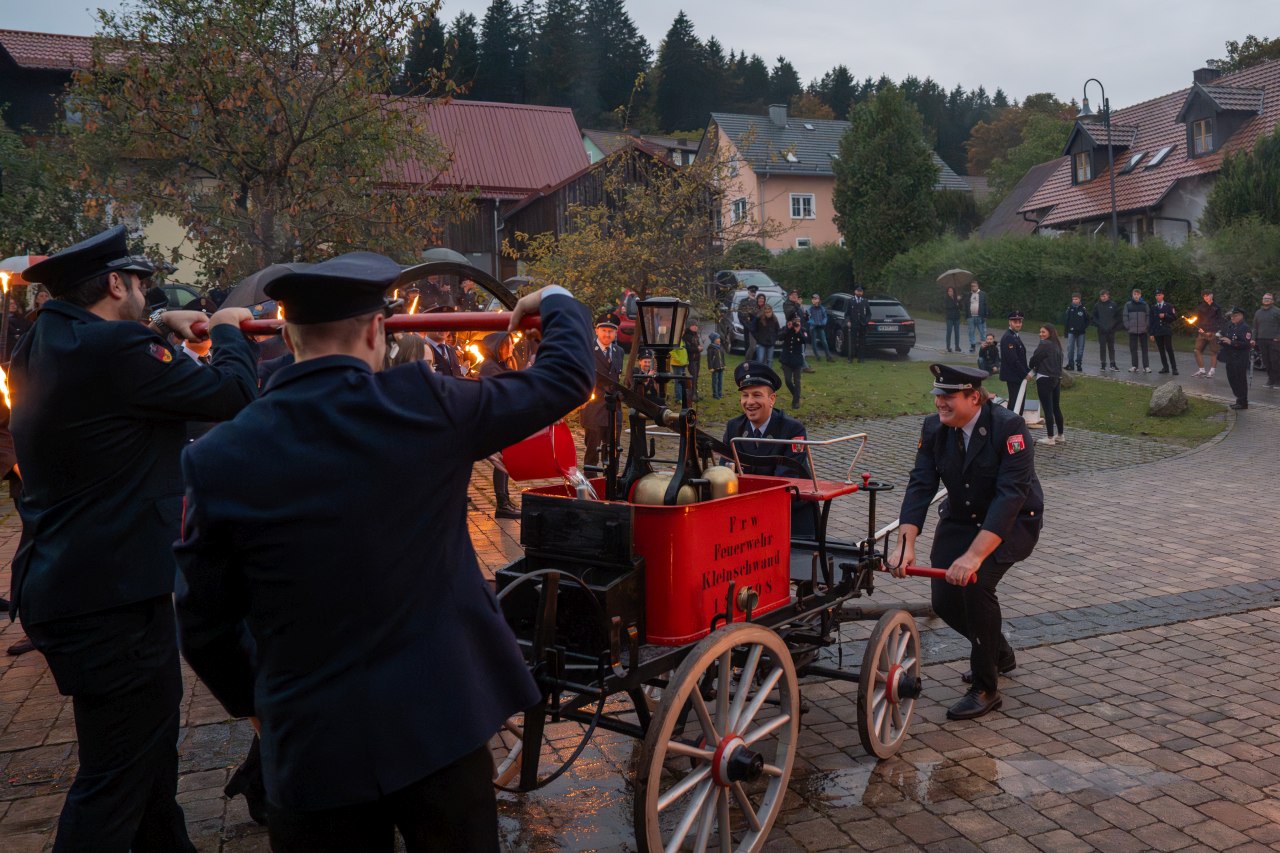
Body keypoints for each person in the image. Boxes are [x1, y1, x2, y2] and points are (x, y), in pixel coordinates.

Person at [173, 252, 594, 852]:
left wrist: (254, 703)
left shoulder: (216, 456)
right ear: (376, 330)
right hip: (440, 728)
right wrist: (555, 300)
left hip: (310, 741)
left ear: (287, 336)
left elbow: (202, 621)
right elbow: (563, 379)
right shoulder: (426, 405)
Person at [10, 224, 258, 852]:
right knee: (114, 778)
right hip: (111, 597)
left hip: (77, 583)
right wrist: (227, 330)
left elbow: (114, 385)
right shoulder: (117, 350)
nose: (149, 294)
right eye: (143, 283)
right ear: (117, 283)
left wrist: (156, 332)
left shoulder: (45, 339)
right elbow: (231, 394)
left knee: (146, 756)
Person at [892, 364, 1044, 721]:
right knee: (944, 600)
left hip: (1011, 521)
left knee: (976, 587)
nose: (939, 403)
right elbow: (920, 485)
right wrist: (904, 542)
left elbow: (1010, 497)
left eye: (948, 396)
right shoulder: (934, 429)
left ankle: (986, 686)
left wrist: (974, 557)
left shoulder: (1009, 428)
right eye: (937, 395)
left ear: (974, 397)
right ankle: (998, 652)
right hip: (961, 517)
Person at [479, 331, 521, 519]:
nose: (512, 347)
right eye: (510, 344)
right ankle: (502, 503)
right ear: (500, 346)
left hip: (503, 419)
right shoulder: (489, 367)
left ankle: (506, 499)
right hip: (495, 420)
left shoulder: (500, 365)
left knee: (505, 460)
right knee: (501, 462)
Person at [582, 312, 623, 468]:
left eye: (611, 331)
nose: (607, 334)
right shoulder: (587, 350)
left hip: (614, 410)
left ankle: (611, 487)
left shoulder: (618, 352)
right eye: (604, 330)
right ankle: (592, 486)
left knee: (613, 453)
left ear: (615, 332)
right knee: (592, 454)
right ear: (597, 331)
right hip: (593, 409)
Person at [1030, 325, 1065, 445]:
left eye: (1043, 332)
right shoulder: (1057, 346)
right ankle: (1060, 435)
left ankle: (1050, 437)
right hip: (1057, 379)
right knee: (1056, 407)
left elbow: (1033, 360)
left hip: (1044, 378)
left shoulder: (1044, 344)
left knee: (1048, 409)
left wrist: (1033, 366)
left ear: (1050, 333)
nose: (1041, 334)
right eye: (1040, 332)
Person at [1218, 306, 1253, 410]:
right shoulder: (1230, 325)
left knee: (1240, 380)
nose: (1232, 318)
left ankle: (1243, 402)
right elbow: (1224, 335)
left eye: (1235, 316)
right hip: (1230, 356)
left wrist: (1231, 342)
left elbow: (1246, 344)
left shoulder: (1245, 328)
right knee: (1232, 378)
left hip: (1240, 357)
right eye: (1232, 316)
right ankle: (1239, 399)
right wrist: (1221, 340)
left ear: (1241, 316)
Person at [999, 311, 1030, 412]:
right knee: (1016, 403)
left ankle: (1014, 425)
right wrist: (1025, 374)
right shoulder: (1009, 337)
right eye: (1015, 322)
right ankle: (1013, 425)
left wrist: (1028, 370)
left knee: (1018, 402)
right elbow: (1013, 360)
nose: (1018, 324)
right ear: (1009, 322)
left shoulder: (1014, 335)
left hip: (1017, 375)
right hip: (1014, 376)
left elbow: (1020, 358)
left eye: (1019, 322)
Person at [1192, 290, 1224, 378]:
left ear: (1212, 295)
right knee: (1196, 350)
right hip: (1202, 332)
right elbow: (1199, 319)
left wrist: (1218, 331)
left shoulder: (1217, 307)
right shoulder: (1201, 307)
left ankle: (1212, 371)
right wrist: (1199, 329)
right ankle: (1201, 370)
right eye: (1204, 296)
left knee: (1213, 351)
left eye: (1208, 295)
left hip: (1213, 332)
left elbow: (1220, 320)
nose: (1206, 297)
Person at [778, 314, 806, 409]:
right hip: (786, 360)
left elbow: (805, 340)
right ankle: (796, 395)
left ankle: (795, 402)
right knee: (788, 381)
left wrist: (798, 332)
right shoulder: (786, 328)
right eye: (795, 321)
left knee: (797, 381)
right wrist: (787, 328)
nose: (796, 323)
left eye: (798, 321)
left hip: (797, 360)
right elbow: (780, 337)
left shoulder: (802, 330)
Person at [1252, 292, 1279, 389]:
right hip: (1261, 340)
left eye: (1268, 299)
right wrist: (1253, 339)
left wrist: (1278, 337)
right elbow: (1255, 327)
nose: (1266, 300)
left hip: (1274, 340)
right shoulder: (1258, 312)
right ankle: (1270, 379)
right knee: (1266, 361)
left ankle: (1278, 381)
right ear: (1262, 300)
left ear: (1272, 301)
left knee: (1275, 360)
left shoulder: (1277, 311)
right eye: (1265, 298)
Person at [1150, 289, 1179, 375]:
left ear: (1163, 296)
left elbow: (1174, 317)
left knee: (1169, 349)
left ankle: (1174, 368)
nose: (1158, 297)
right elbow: (1151, 321)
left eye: (1159, 295)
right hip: (1157, 331)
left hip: (1166, 331)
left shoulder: (1169, 306)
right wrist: (1151, 333)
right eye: (1156, 295)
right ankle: (1165, 367)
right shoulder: (1153, 307)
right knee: (1161, 350)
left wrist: (1165, 315)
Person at [1123, 288, 1151, 373]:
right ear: (1132, 295)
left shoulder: (1144, 304)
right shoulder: (1128, 305)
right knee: (1133, 349)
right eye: (1135, 294)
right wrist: (1128, 326)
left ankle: (1146, 367)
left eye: (1138, 294)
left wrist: (1146, 326)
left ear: (1140, 295)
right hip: (1132, 330)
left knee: (1145, 349)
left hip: (1143, 330)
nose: (1136, 296)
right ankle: (1135, 366)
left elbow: (1148, 316)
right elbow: (1125, 316)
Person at [1062, 292, 1089, 372]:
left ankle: (1079, 364)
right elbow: (1066, 320)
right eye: (1073, 299)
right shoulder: (1069, 308)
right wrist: (1066, 332)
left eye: (1076, 299)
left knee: (1080, 350)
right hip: (1071, 332)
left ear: (1079, 299)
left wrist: (1083, 327)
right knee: (1070, 349)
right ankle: (1070, 364)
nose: (1074, 300)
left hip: (1081, 333)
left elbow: (1088, 320)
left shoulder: (1083, 309)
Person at [735, 284, 760, 355]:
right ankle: (748, 359)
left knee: (756, 344)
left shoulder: (758, 301)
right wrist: (746, 325)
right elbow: (741, 314)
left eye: (754, 292)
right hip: (747, 326)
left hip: (757, 327)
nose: (753, 293)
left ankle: (755, 359)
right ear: (748, 292)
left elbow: (758, 313)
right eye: (752, 292)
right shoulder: (744, 301)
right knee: (748, 344)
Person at [807, 293, 832, 362]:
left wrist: (823, 323)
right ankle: (817, 356)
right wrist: (813, 322)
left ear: (818, 300)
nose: (814, 300)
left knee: (824, 341)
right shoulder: (810, 309)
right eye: (813, 299)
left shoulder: (822, 308)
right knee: (814, 342)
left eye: (815, 299)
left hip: (820, 327)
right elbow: (808, 318)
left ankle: (828, 357)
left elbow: (825, 317)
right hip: (813, 328)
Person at [848, 285, 870, 362]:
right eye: (858, 291)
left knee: (862, 341)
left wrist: (866, 321)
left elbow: (868, 314)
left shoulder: (865, 301)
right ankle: (851, 358)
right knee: (852, 341)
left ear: (862, 293)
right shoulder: (851, 301)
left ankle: (861, 358)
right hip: (853, 324)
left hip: (862, 324)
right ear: (855, 292)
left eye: (861, 291)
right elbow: (847, 313)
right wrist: (848, 321)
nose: (859, 293)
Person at [682, 321, 702, 401]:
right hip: (691, 359)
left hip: (697, 358)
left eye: (696, 325)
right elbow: (688, 349)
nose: (695, 327)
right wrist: (697, 349)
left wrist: (699, 347)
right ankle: (692, 395)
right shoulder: (687, 336)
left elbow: (696, 345)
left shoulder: (695, 335)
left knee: (696, 377)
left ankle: (695, 394)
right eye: (693, 325)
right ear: (689, 326)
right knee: (693, 378)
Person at [966, 280, 988, 353]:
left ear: (977, 286)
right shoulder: (968, 294)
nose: (973, 287)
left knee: (983, 332)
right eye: (972, 286)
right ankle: (972, 346)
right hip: (971, 317)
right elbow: (965, 304)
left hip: (980, 316)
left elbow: (985, 305)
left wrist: (985, 315)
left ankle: (984, 346)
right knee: (971, 332)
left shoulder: (982, 294)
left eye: (974, 286)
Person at [705, 332, 726, 399]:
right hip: (715, 368)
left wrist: (724, 364)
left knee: (720, 381)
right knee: (715, 381)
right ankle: (715, 394)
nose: (719, 339)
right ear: (714, 340)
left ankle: (720, 393)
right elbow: (709, 359)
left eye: (719, 338)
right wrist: (710, 367)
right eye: (717, 338)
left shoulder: (720, 347)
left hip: (721, 367)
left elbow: (722, 357)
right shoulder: (711, 348)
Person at [943, 285, 962, 352]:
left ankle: (957, 346)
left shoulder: (956, 298)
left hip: (956, 317)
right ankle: (948, 347)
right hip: (949, 318)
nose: (950, 292)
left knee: (957, 332)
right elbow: (948, 306)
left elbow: (960, 307)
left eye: (951, 291)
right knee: (949, 332)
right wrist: (955, 303)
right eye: (949, 291)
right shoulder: (946, 299)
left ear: (953, 292)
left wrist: (959, 301)